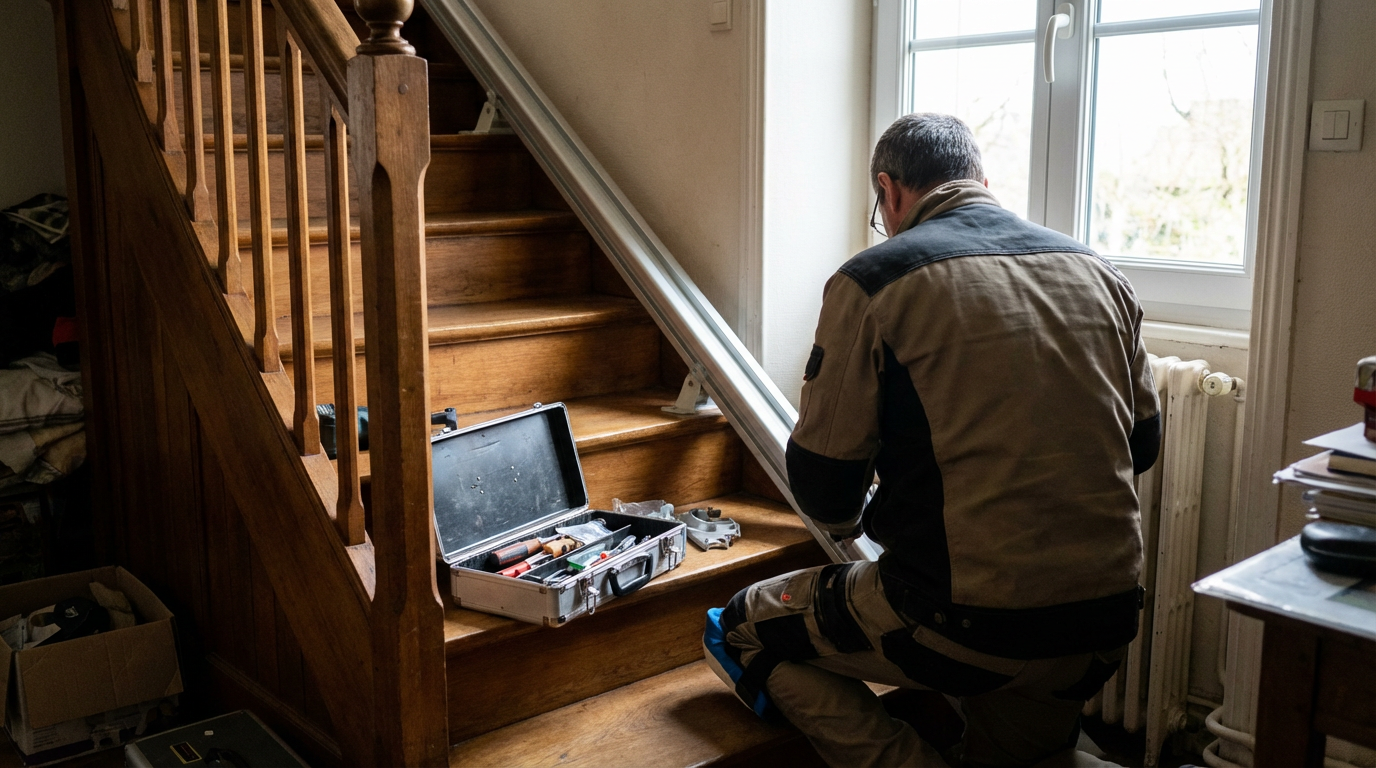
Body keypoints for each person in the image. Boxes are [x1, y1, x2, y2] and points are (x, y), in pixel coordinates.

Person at [703, 113, 1160, 767]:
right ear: (981, 180)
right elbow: (1141, 448)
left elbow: (825, 491)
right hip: (1102, 623)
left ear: (889, 191)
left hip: (962, 624)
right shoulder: (1097, 270)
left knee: (740, 627)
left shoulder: (876, 281)